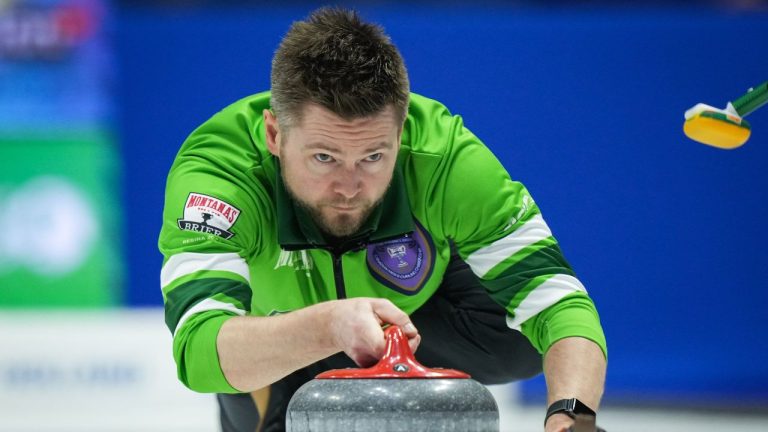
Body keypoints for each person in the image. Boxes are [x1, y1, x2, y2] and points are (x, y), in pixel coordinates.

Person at [159, 7, 607, 432]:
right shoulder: (219, 175)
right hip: (282, 337)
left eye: (373, 156)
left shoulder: (445, 156)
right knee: (230, 367)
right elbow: (198, 354)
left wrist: (573, 415)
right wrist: (328, 326)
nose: (349, 186)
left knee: (528, 337)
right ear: (275, 135)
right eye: (324, 157)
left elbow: (558, 301)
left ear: (400, 131)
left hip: (425, 315)